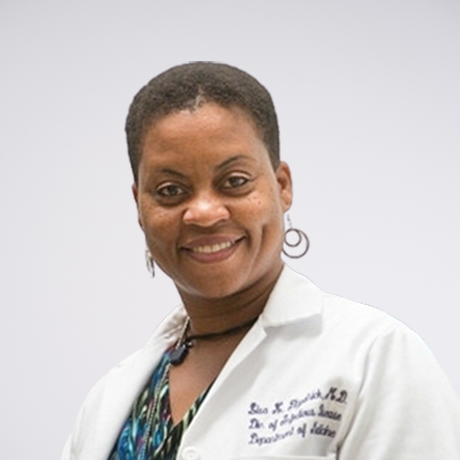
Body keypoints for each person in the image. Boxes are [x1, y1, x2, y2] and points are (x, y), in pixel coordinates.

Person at [62, 62, 460, 460]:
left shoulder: (375, 358)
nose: (204, 213)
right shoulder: (108, 401)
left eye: (234, 182)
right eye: (170, 190)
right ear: (140, 205)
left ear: (282, 186)